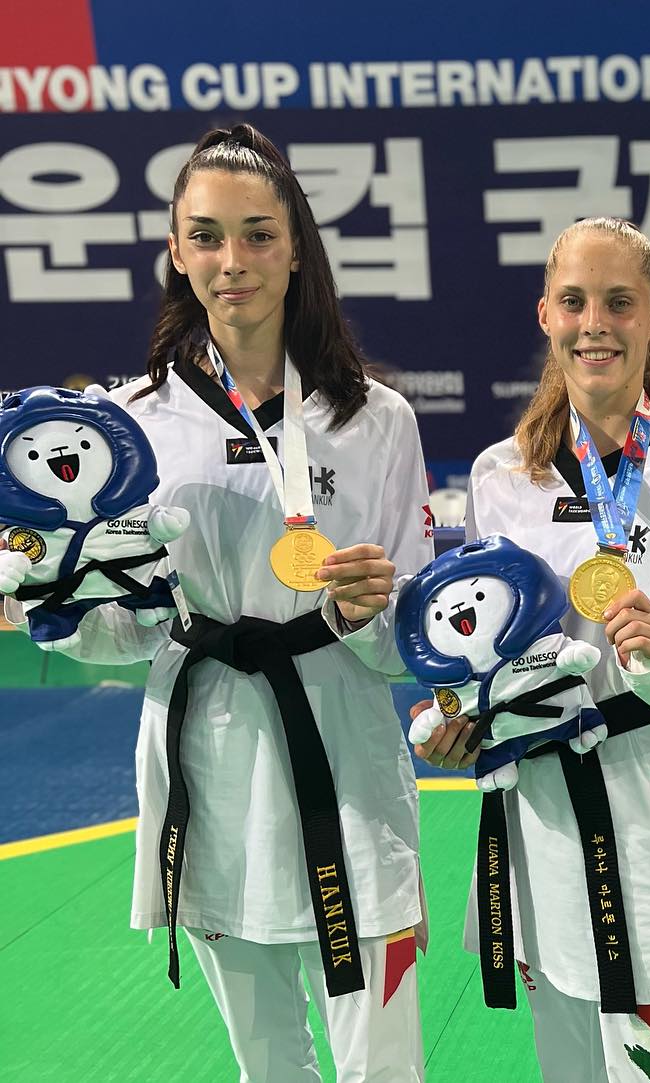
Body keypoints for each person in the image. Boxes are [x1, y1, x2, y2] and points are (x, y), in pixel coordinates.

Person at [4, 124, 432, 1082]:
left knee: (385, 1066)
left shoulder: (375, 419)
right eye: (205, 235)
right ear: (175, 250)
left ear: (295, 247)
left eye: (257, 234)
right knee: (268, 1066)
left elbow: (414, 641)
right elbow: (127, 631)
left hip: (347, 757)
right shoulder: (129, 425)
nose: (231, 261)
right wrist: (57, 599)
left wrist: (376, 612)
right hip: (209, 756)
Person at [413, 216, 650, 1082]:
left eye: (618, 302)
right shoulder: (502, 475)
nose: (594, 323)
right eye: (574, 301)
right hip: (537, 821)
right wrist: (464, 722)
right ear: (545, 314)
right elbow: (489, 651)